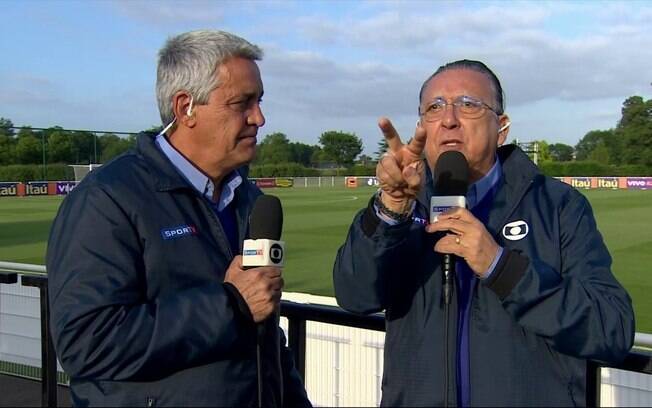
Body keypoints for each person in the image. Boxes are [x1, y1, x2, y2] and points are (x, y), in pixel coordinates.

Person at [333, 59, 635, 407]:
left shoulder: (558, 206)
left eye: (468, 104)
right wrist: (391, 208)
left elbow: (611, 330)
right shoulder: (404, 204)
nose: (449, 119)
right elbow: (354, 296)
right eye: (434, 107)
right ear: (421, 127)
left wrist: (502, 268)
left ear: (502, 127)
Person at [47, 30, 311, 407]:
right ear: (185, 107)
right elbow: (86, 342)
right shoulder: (107, 199)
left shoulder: (248, 198)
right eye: (242, 103)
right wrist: (229, 305)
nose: (259, 117)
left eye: (260, 101)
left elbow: (262, 326)